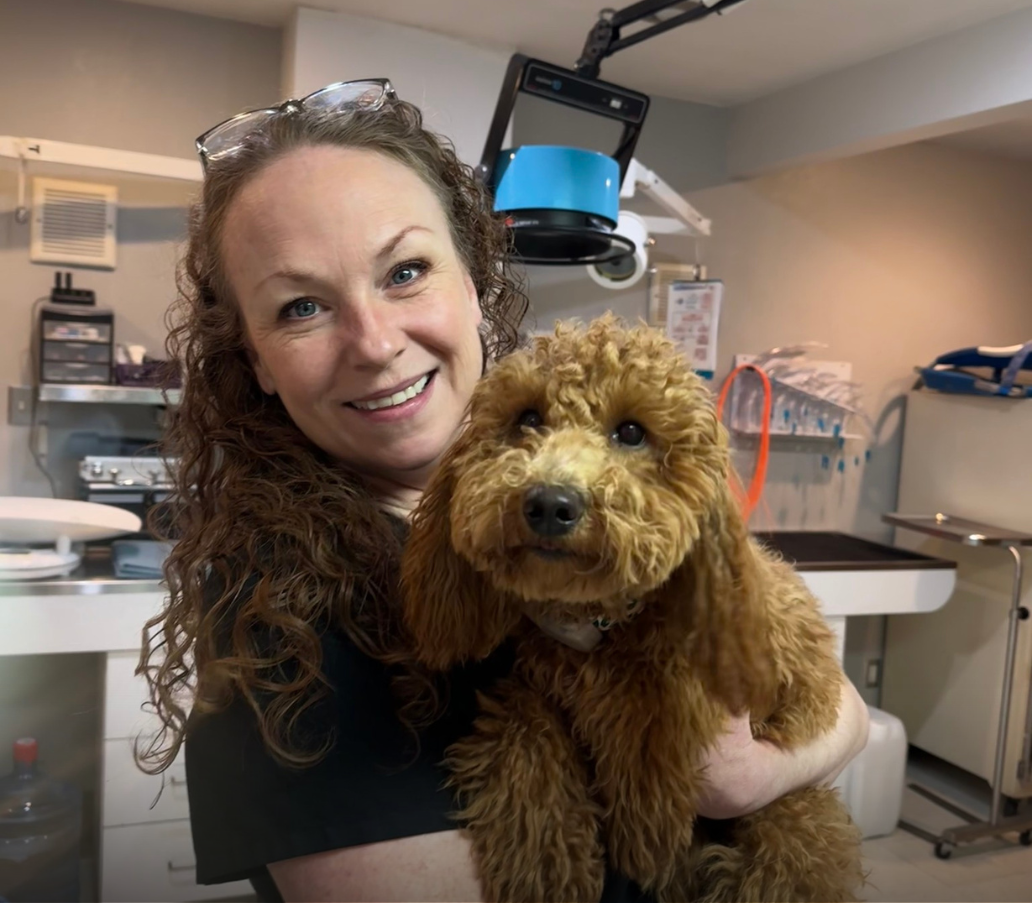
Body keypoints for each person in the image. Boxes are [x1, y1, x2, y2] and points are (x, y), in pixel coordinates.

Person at [138, 78, 870, 903]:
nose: (375, 343)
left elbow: (832, 697)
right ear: (258, 364)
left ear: (478, 286)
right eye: (302, 306)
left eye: (406, 270)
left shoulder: (561, 515)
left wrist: (759, 773)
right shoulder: (281, 616)